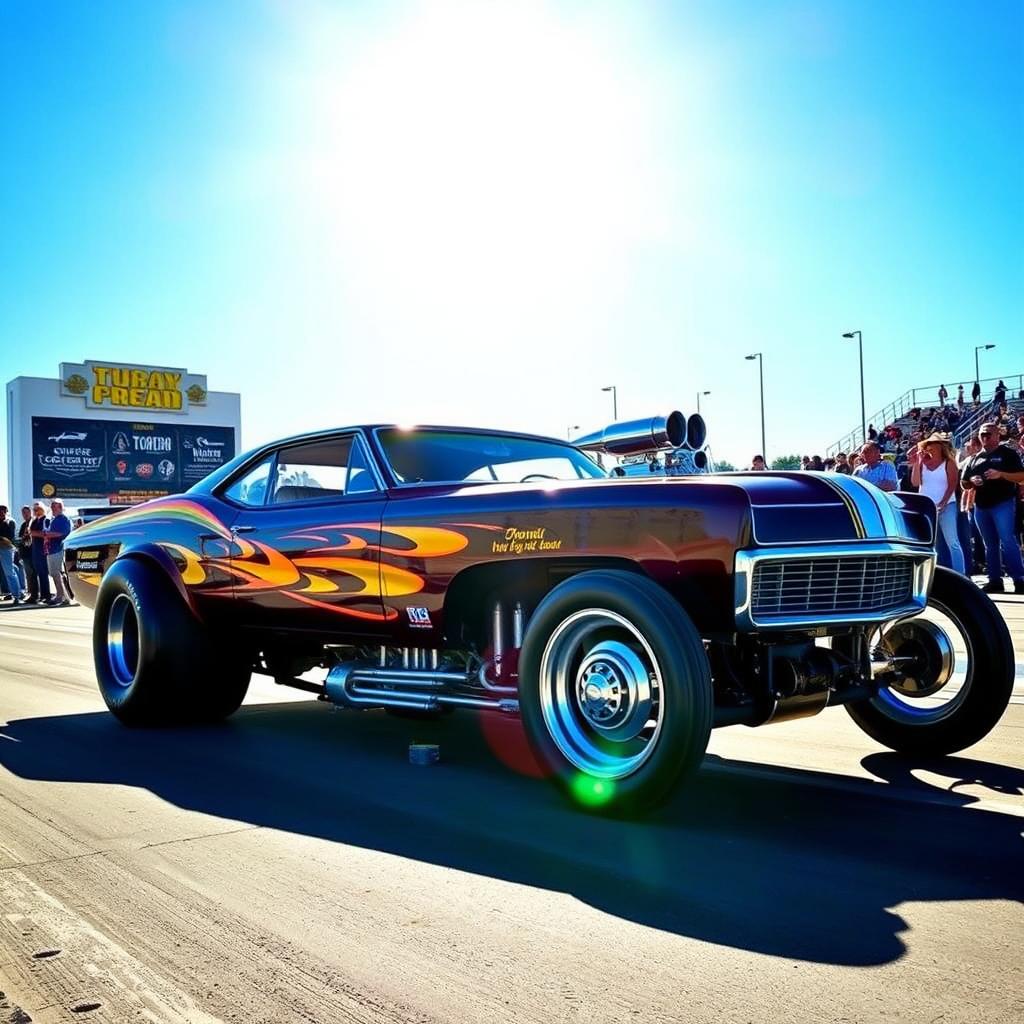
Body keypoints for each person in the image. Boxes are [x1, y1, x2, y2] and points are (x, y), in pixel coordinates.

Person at [960, 422, 1024, 594]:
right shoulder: (974, 458)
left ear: (997, 435)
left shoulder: (1008, 454)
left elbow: (1021, 477)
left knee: (1008, 540)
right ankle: (994, 579)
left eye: (989, 434)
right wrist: (972, 481)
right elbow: (964, 482)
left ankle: (1019, 578)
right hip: (981, 505)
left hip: (1003, 502)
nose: (985, 437)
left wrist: (1001, 474)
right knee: (990, 544)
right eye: (982, 434)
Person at [909, 435, 964, 574]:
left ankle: (961, 574)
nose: (930, 447)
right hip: (927, 508)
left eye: (933, 444)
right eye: (928, 444)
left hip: (946, 505)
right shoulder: (922, 464)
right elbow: (915, 483)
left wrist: (943, 502)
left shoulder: (948, 463)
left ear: (941, 446)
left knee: (952, 541)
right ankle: (938, 574)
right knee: (933, 544)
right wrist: (917, 462)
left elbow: (952, 485)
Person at [42, 499, 73, 605]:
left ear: (60, 507)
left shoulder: (63, 519)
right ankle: (63, 596)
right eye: (51, 507)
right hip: (51, 549)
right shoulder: (54, 519)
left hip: (58, 549)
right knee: (54, 573)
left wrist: (46, 534)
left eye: (54, 507)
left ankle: (60, 596)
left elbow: (62, 533)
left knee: (57, 573)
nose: (52, 509)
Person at [28, 502, 52, 603]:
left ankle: (46, 595)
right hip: (35, 549)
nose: (36, 511)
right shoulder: (34, 521)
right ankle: (38, 595)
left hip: (42, 550)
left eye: (38, 509)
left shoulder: (46, 520)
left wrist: (34, 533)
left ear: (43, 509)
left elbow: (46, 534)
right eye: (34, 510)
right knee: (37, 573)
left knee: (43, 573)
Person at [16, 506, 38, 603]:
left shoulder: (33, 523)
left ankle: (34, 595)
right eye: (23, 513)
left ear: (30, 512)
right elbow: (21, 538)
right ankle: (31, 594)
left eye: (26, 512)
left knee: (32, 574)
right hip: (25, 553)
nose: (25, 514)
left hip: (32, 552)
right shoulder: (23, 525)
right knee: (29, 575)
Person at [0, 506, 21, 605]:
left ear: (6, 512)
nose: (1, 513)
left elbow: (10, 537)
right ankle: (16, 592)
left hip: (6, 549)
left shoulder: (10, 522)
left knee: (9, 572)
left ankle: (16, 595)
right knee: (12, 569)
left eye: (3, 511)